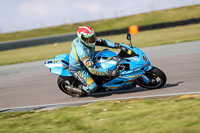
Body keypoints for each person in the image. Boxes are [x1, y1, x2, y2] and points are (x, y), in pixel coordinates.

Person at [69, 26, 121, 95]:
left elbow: (102, 42)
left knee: (107, 55)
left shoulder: (88, 41)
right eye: (89, 39)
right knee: (93, 87)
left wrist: (116, 45)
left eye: (93, 37)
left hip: (91, 56)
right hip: (79, 68)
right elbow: (92, 69)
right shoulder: (82, 52)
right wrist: (110, 73)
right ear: (82, 39)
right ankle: (82, 88)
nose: (92, 40)